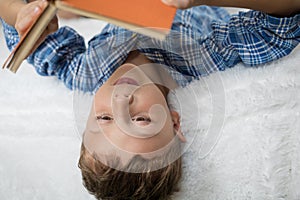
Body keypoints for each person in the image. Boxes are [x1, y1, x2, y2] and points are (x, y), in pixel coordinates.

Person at [1, 0, 299, 199]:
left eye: (103, 118)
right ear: (174, 121)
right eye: (140, 120)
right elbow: (285, 20)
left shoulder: (85, 73)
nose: (120, 99)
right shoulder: (202, 61)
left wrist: (21, 14)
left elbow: (12, 16)